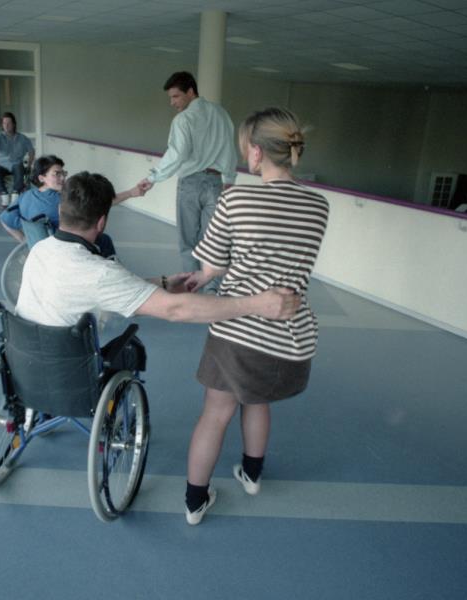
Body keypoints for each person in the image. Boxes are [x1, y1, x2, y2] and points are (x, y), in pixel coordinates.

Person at [181, 108, 330, 526]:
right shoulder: (319, 206)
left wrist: (197, 277)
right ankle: (251, 476)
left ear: (258, 152)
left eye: (246, 147)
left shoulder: (236, 199)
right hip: (287, 335)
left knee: (216, 413)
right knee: (257, 400)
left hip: (238, 333)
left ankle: (195, 501)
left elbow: (211, 267)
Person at [16, 171, 301, 375]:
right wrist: (257, 304)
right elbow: (175, 309)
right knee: (131, 350)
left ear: (61, 210)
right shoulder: (99, 272)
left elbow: (98, 288)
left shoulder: (39, 250)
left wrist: (163, 283)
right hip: (69, 375)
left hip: (24, 365)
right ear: (101, 223)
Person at [138, 71, 237, 287]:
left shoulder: (183, 119)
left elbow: (177, 153)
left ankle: (192, 289)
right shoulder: (220, 113)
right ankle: (212, 291)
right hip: (216, 183)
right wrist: (229, 179)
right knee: (213, 242)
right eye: (170, 98)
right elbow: (229, 147)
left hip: (190, 184)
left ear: (191, 92)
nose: (172, 102)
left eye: (176, 96)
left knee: (188, 243)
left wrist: (153, 177)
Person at [0, 155, 144, 258]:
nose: (63, 177)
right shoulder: (60, 199)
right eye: (57, 174)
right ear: (41, 178)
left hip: (40, 252)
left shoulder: (25, 196)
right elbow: (99, 204)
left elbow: (4, 219)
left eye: (63, 173)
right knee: (104, 239)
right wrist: (131, 193)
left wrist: (25, 240)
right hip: (65, 249)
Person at [0, 112, 34, 202]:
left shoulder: (22, 138)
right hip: (2, 165)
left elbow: (31, 151)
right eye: (4, 123)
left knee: (19, 167)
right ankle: (3, 193)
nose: (6, 125)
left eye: (9, 123)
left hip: (16, 164)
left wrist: (29, 165)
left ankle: (16, 193)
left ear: (14, 124)